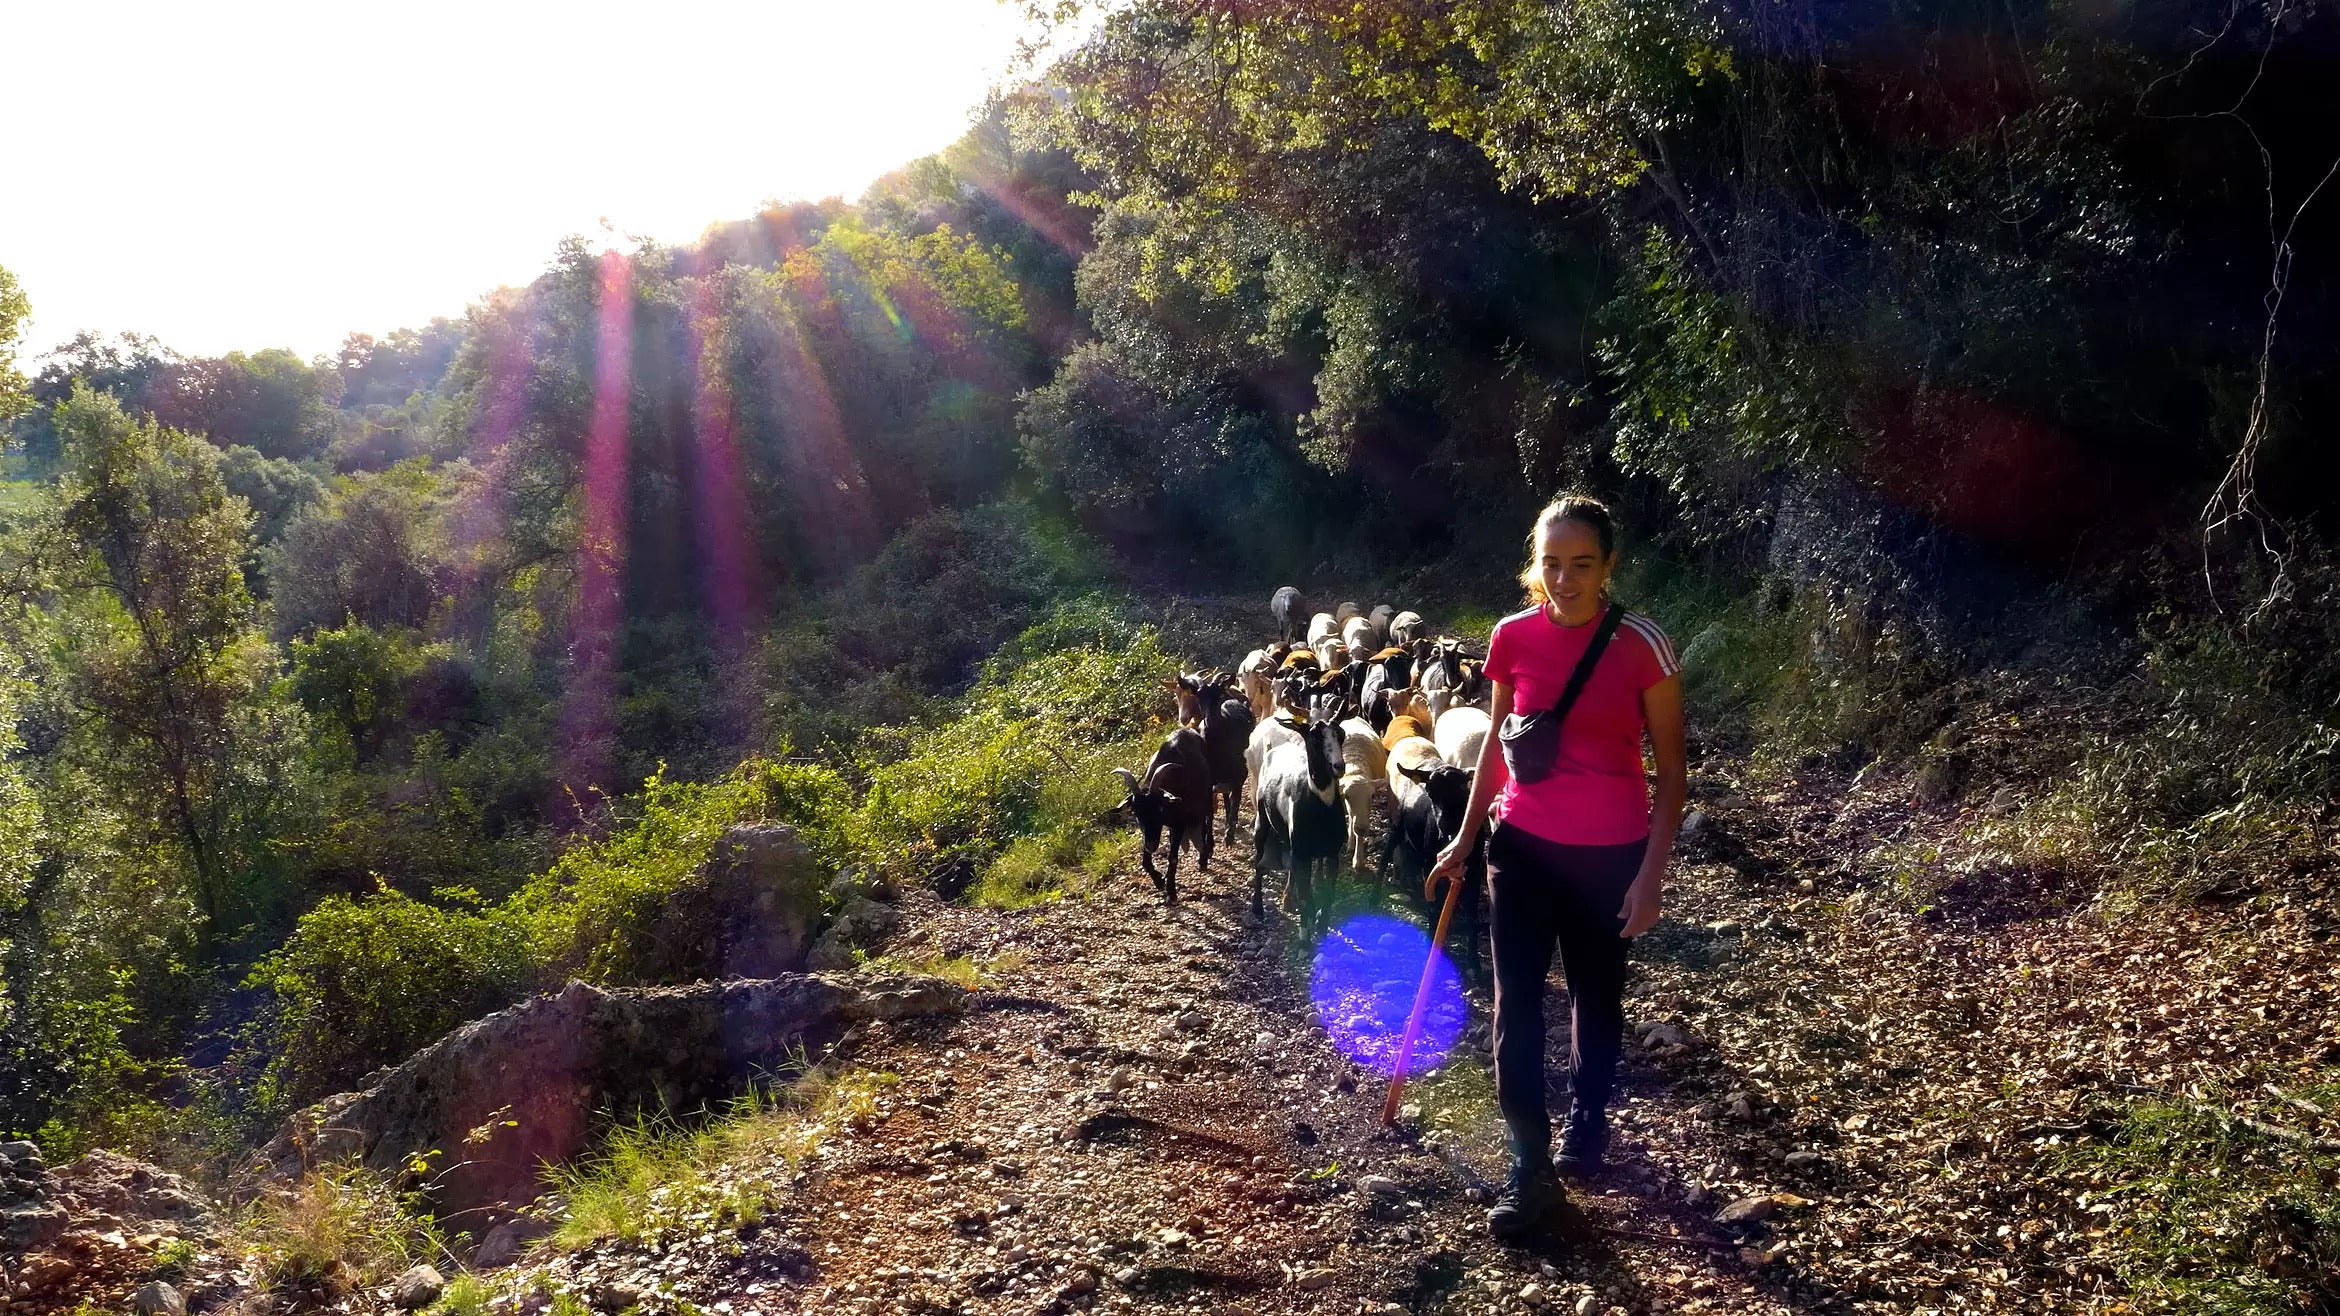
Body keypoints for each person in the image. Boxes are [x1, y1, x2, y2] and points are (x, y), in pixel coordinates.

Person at [1426, 493, 1686, 1242]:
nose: (1564, 580)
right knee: (1515, 1008)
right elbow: (1498, 751)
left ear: (1608, 566)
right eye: (1551, 564)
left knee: (1596, 1001)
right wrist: (1466, 837)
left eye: (1581, 565)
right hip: (1523, 849)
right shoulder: (1509, 636)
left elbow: (1671, 772)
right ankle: (1528, 1166)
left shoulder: (1643, 644)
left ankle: (1589, 1115)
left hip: (1610, 856)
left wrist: (1652, 876)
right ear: (1532, 567)